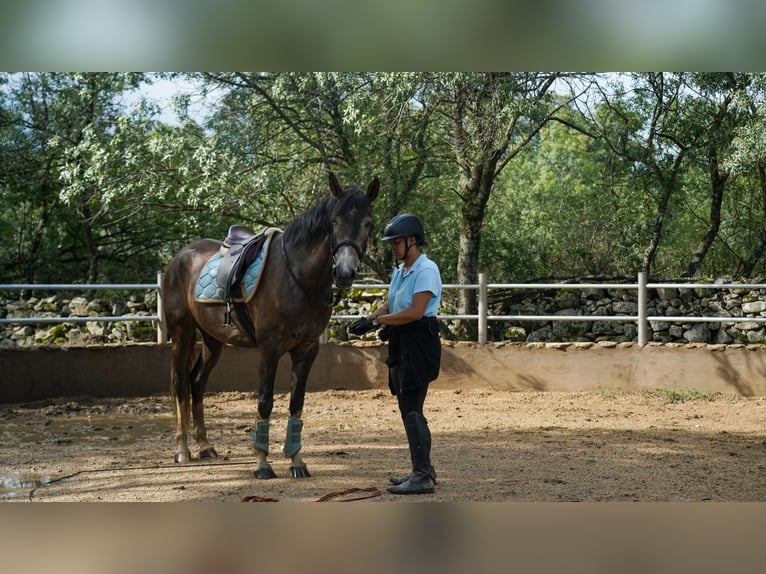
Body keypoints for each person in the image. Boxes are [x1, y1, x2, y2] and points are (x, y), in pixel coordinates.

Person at [348, 214, 442, 495]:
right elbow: (392, 302)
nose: (393, 247)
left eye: (397, 242)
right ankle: (423, 468)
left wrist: (379, 323)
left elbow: (415, 311)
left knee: (412, 408)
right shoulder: (400, 271)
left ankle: (422, 476)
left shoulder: (426, 270)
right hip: (402, 342)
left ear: (412, 241)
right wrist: (370, 317)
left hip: (419, 342)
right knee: (407, 408)